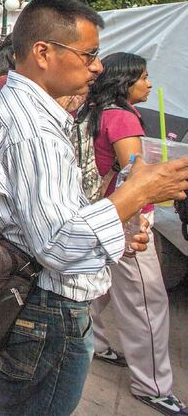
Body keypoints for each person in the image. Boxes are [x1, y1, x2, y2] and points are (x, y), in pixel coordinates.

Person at [0, 0, 188, 416]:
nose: (98, 67)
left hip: (22, 299)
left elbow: (43, 216)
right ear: (43, 53)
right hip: (47, 312)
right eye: (88, 55)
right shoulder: (36, 132)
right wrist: (135, 194)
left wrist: (115, 229)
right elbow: (59, 245)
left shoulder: (20, 106)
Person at [81, 53, 187, 415]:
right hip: (126, 219)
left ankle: (93, 341)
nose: (150, 84)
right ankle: (153, 385)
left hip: (99, 213)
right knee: (147, 301)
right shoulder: (123, 119)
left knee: (100, 288)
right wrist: (141, 218)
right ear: (125, 82)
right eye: (143, 77)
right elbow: (135, 178)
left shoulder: (94, 112)